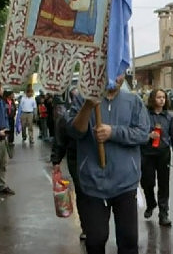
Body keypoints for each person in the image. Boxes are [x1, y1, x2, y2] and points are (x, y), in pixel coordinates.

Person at [66, 74, 149, 254]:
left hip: (125, 183)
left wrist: (113, 133)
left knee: (128, 241)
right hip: (93, 183)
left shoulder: (133, 101)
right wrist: (88, 105)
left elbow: (143, 134)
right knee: (95, 240)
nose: (116, 78)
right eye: (111, 71)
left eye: (119, 72)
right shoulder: (82, 98)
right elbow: (74, 132)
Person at [141, 89, 173, 227]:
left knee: (163, 184)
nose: (161, 100)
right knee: (147, 182)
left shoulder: (169, 118)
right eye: (159, 97)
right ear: (153, 99)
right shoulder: (145, 115)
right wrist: (149, 136)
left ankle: (163, 213)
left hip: (163, 154)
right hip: (147, 153)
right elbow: (139, 132)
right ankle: (150, 203)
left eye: (163, 97)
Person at [51, 87, 88, 241]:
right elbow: (60, 140)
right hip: (76, 158)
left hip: (93, 158)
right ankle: (86, 226)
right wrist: (56, 161)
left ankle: (97, 223)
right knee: (82, 191)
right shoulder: (66, 116)